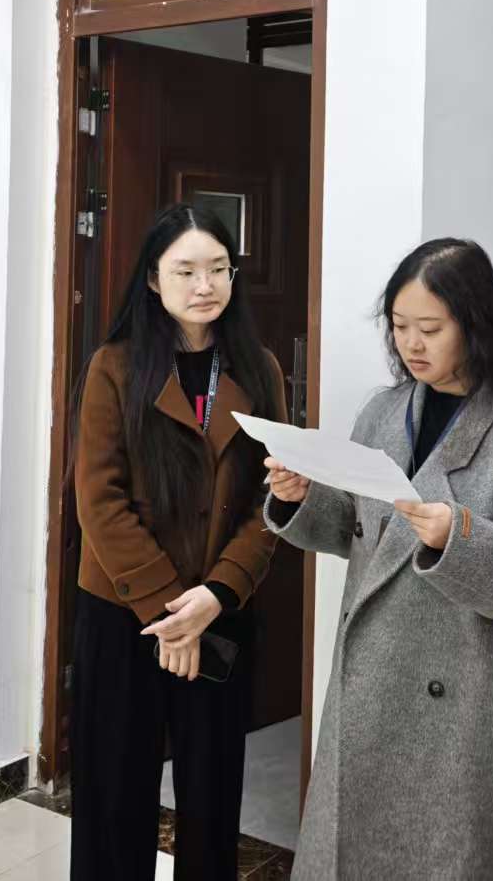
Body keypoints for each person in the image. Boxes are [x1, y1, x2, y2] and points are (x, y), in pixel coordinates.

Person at [264, 239, 493, 880]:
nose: (411, 344)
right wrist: (301, 498)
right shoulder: (383, 412)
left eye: (430, 329)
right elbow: (359, 532)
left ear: (475, 325)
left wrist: (458, 539)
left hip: (466, 717)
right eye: (400, 326)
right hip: (370, 697)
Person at [69, 204, 287, 880]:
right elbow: (99, 501)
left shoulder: (260, 369)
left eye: (218, 269)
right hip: (126, 615)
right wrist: (172, 613)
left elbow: (268, 503)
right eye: (186, 270)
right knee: (114, 799)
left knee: (212, 800)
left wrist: (215, 595)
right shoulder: (114, 367)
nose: (204, 285)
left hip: (220, 610)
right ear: (153, 279)